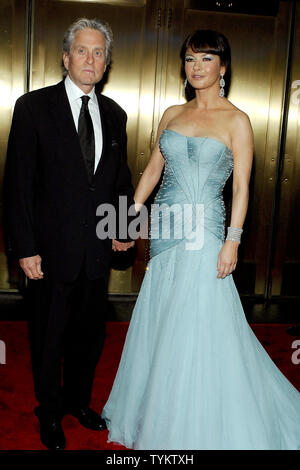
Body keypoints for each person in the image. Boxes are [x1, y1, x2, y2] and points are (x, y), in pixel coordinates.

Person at [101, 30, 300, 450]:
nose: (197, 67)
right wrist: (125, 220)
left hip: (206, 232)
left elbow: (243, 188)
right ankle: (158, 409)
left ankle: (194, 421)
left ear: (223, 67)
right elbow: (153, 170)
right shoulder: (172, 113)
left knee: (196, 324)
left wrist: (233, 241)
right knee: (163, 317)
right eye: (191, 59)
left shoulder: (237, 120)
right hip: (166, 231)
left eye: (207, 59)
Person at [4, 18, 135, 451]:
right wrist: (24, 248)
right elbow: (18, 183)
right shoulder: (33, 107)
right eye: (82, 50)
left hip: (96, 251)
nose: (90, 59)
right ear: (65, 57)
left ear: (106, 62)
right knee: (47, 337)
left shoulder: (116, 114)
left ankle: (79, 402)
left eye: (99, 52)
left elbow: (119, 181)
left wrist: (125, 228)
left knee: (89, 336)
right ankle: (49, 410)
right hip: (50, 251)